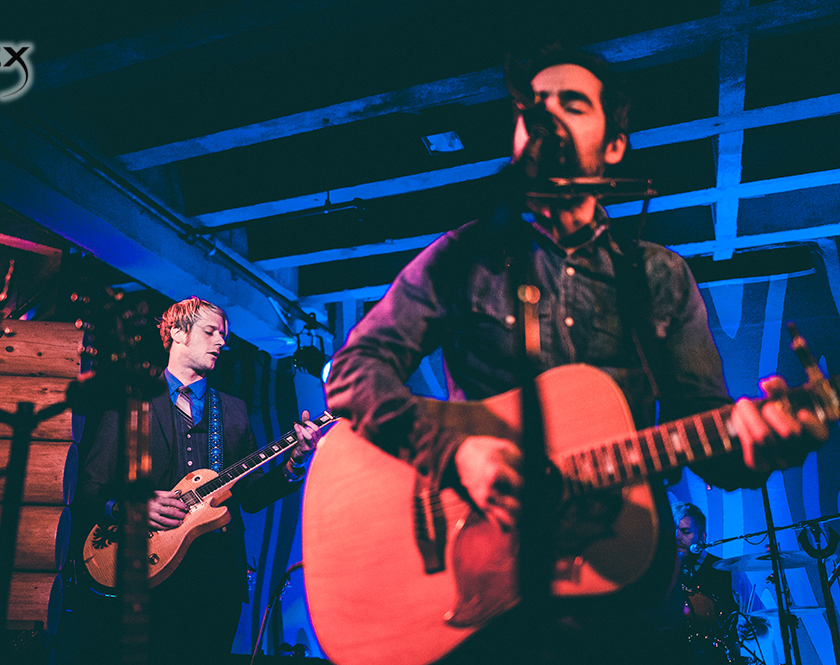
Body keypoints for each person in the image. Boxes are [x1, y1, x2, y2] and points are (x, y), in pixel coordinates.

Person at [324, 45, 828, 664]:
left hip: (627, 600)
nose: (546, 119)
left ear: (613, 144)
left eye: (572, 104)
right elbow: (353, 372)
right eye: (530, 108)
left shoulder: (660, 277)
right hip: (490, 606)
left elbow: (707, 428)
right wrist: (460, 454)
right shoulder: (461, 259)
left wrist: (754, 442)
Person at [76, 296, 322, 664]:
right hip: (146, 575)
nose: (222, 342)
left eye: (224, 335)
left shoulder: (234, 409)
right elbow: (91, 487)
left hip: (216, 580)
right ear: (177, 332)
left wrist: (294, 463)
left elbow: (250, 497)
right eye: (210, 332)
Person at [673, 502, 743, 664]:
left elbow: (760, 619)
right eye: (674, 531)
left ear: (702, 537)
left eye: (685, 532)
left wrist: (746, 627)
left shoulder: (728, 570)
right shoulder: (664, 573)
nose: (677, 537)